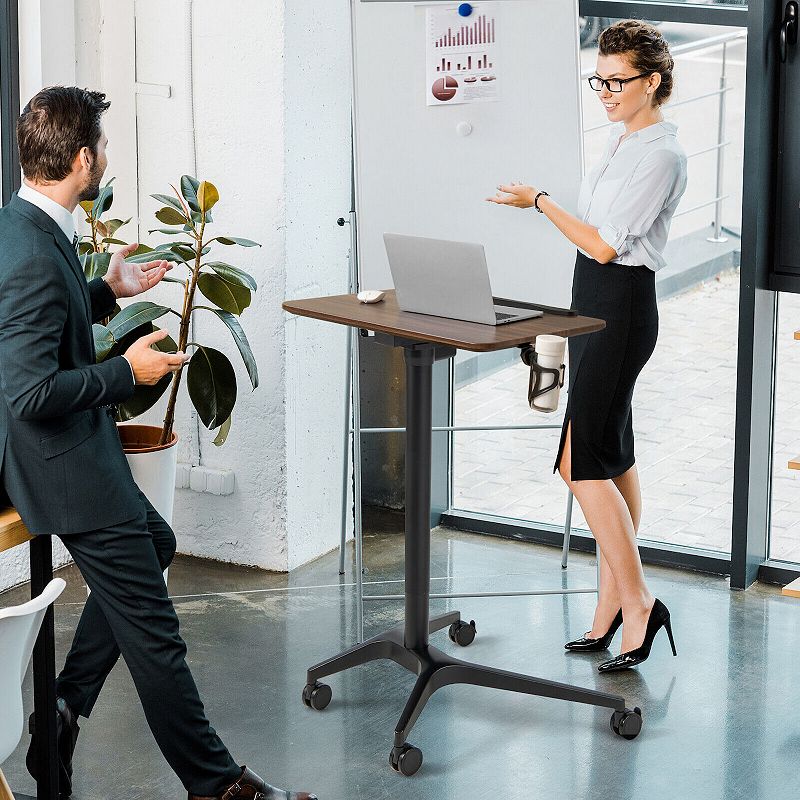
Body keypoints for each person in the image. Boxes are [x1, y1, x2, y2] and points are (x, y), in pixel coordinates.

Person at [0, 87, 317, 800]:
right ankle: (217, 786)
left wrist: (106, 289)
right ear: (84, 160)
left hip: (76, 448)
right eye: (102, 148)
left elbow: (46, 315)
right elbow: (26, 393)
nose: (105, 159)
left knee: (159, 542)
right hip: (58, 464)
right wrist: (126, 371)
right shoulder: (28, 249)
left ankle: (63, 706)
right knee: (156, 636)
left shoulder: (23, 223)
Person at [487, 20, 687, 672]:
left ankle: (640, 604)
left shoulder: (660, 153)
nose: (604, 91)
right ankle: (610, 606)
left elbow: (604, 243)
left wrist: (539, 201)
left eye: (617, 81)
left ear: (652, 81)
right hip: (593, 303)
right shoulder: (621, 139)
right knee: (613, 454)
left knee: (580, 463)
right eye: (598, 79)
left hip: (621, 307)